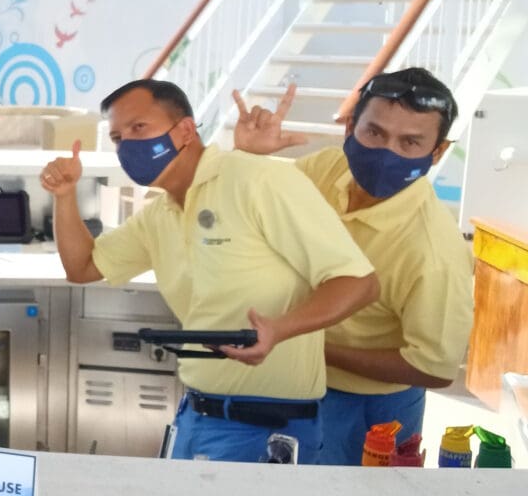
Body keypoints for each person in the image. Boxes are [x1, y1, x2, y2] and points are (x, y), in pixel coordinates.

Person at [40, 79, 379, 463]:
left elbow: (360, 283)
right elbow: (83, 267)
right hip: (194, 416)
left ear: (185, 130)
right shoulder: (159, 215)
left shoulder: (259, 180)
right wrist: (65, 196)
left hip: (266, 429)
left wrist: (280, 329)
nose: (127, 146)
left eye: (139, 128)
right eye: (117, 137)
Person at [232, 68, 474, 465]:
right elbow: (256, 213)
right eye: (374, 133)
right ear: (349, 127)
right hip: (290, 377)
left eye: (411, 142)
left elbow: (434, 369)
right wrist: (247, 157)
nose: (387, 152)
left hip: (370, 408)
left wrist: (308, 341)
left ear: (439, 152)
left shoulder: (434, 252)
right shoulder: (328, 169)